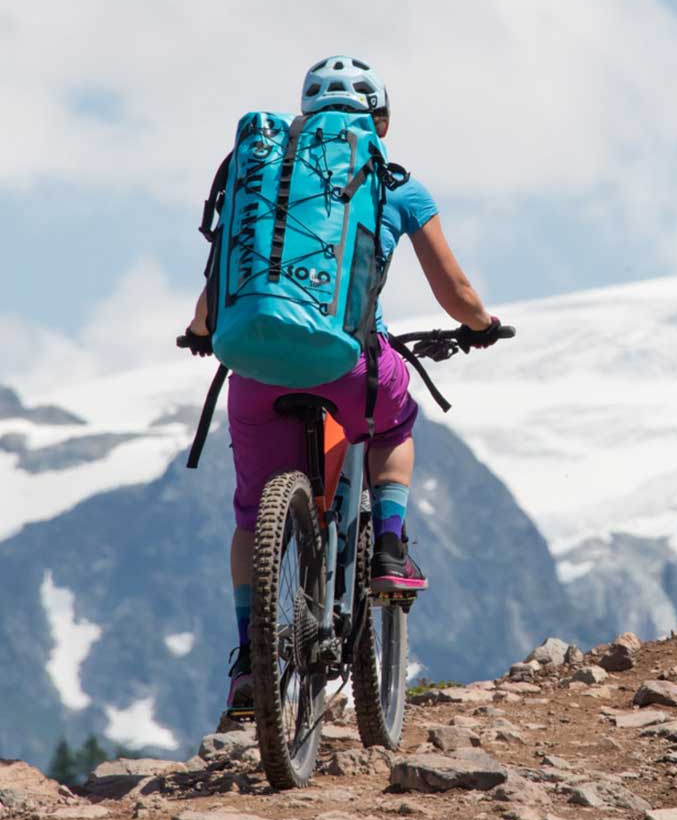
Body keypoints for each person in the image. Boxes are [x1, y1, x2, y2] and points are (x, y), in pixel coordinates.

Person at [183, 56, 503, 711]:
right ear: (380, 120)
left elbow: (215, 294)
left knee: (250, 519)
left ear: (305, 116)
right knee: (396, 423)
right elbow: (456, 292)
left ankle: (250, 659)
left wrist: (198, 333)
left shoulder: (265, 175)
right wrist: (482, 325)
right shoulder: (398, 181)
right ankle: (387, 547)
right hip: (351, 367)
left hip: (254, 373)